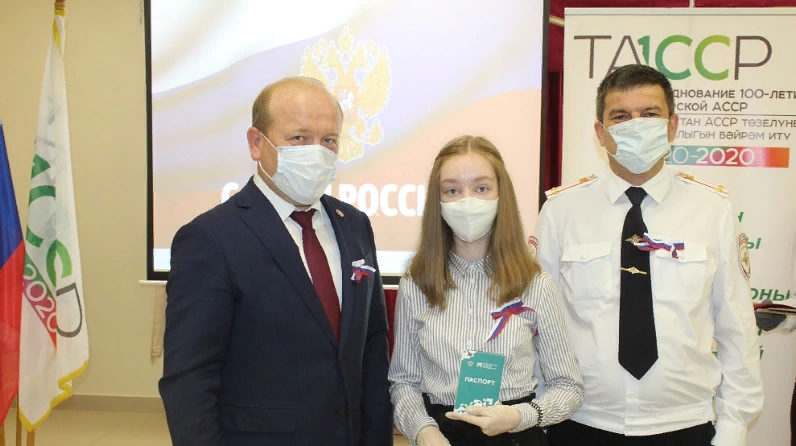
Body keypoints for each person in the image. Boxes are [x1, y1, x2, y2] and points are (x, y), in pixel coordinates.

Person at [535, 64, 764, 446]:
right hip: (579, 423)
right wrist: (538, 415)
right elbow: (537, 324)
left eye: (650, 114)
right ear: (600, 133)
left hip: (685, 426)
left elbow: (736, 326)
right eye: (621, 117)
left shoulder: (713, 210)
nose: (636, 126)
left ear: (672, 126)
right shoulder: (561, 212)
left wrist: (734, 425)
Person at [159, 77, 393, 446]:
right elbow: (190, 376)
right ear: (256, 143)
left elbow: (373, 346)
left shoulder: (355, 225)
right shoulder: (210, 238)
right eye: (299, 138)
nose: (317, 152)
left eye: (329, 140)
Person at [389, 135, 583, 446]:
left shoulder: (535, 283)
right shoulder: (417, 283)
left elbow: (568, 388)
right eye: (452, 190)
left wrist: (521, 416)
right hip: (441, 435)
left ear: (501, 194)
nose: (467, 201)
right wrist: (423, 432)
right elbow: (403, 383)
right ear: (437, 201)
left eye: (481, 188)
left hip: (515, 434)